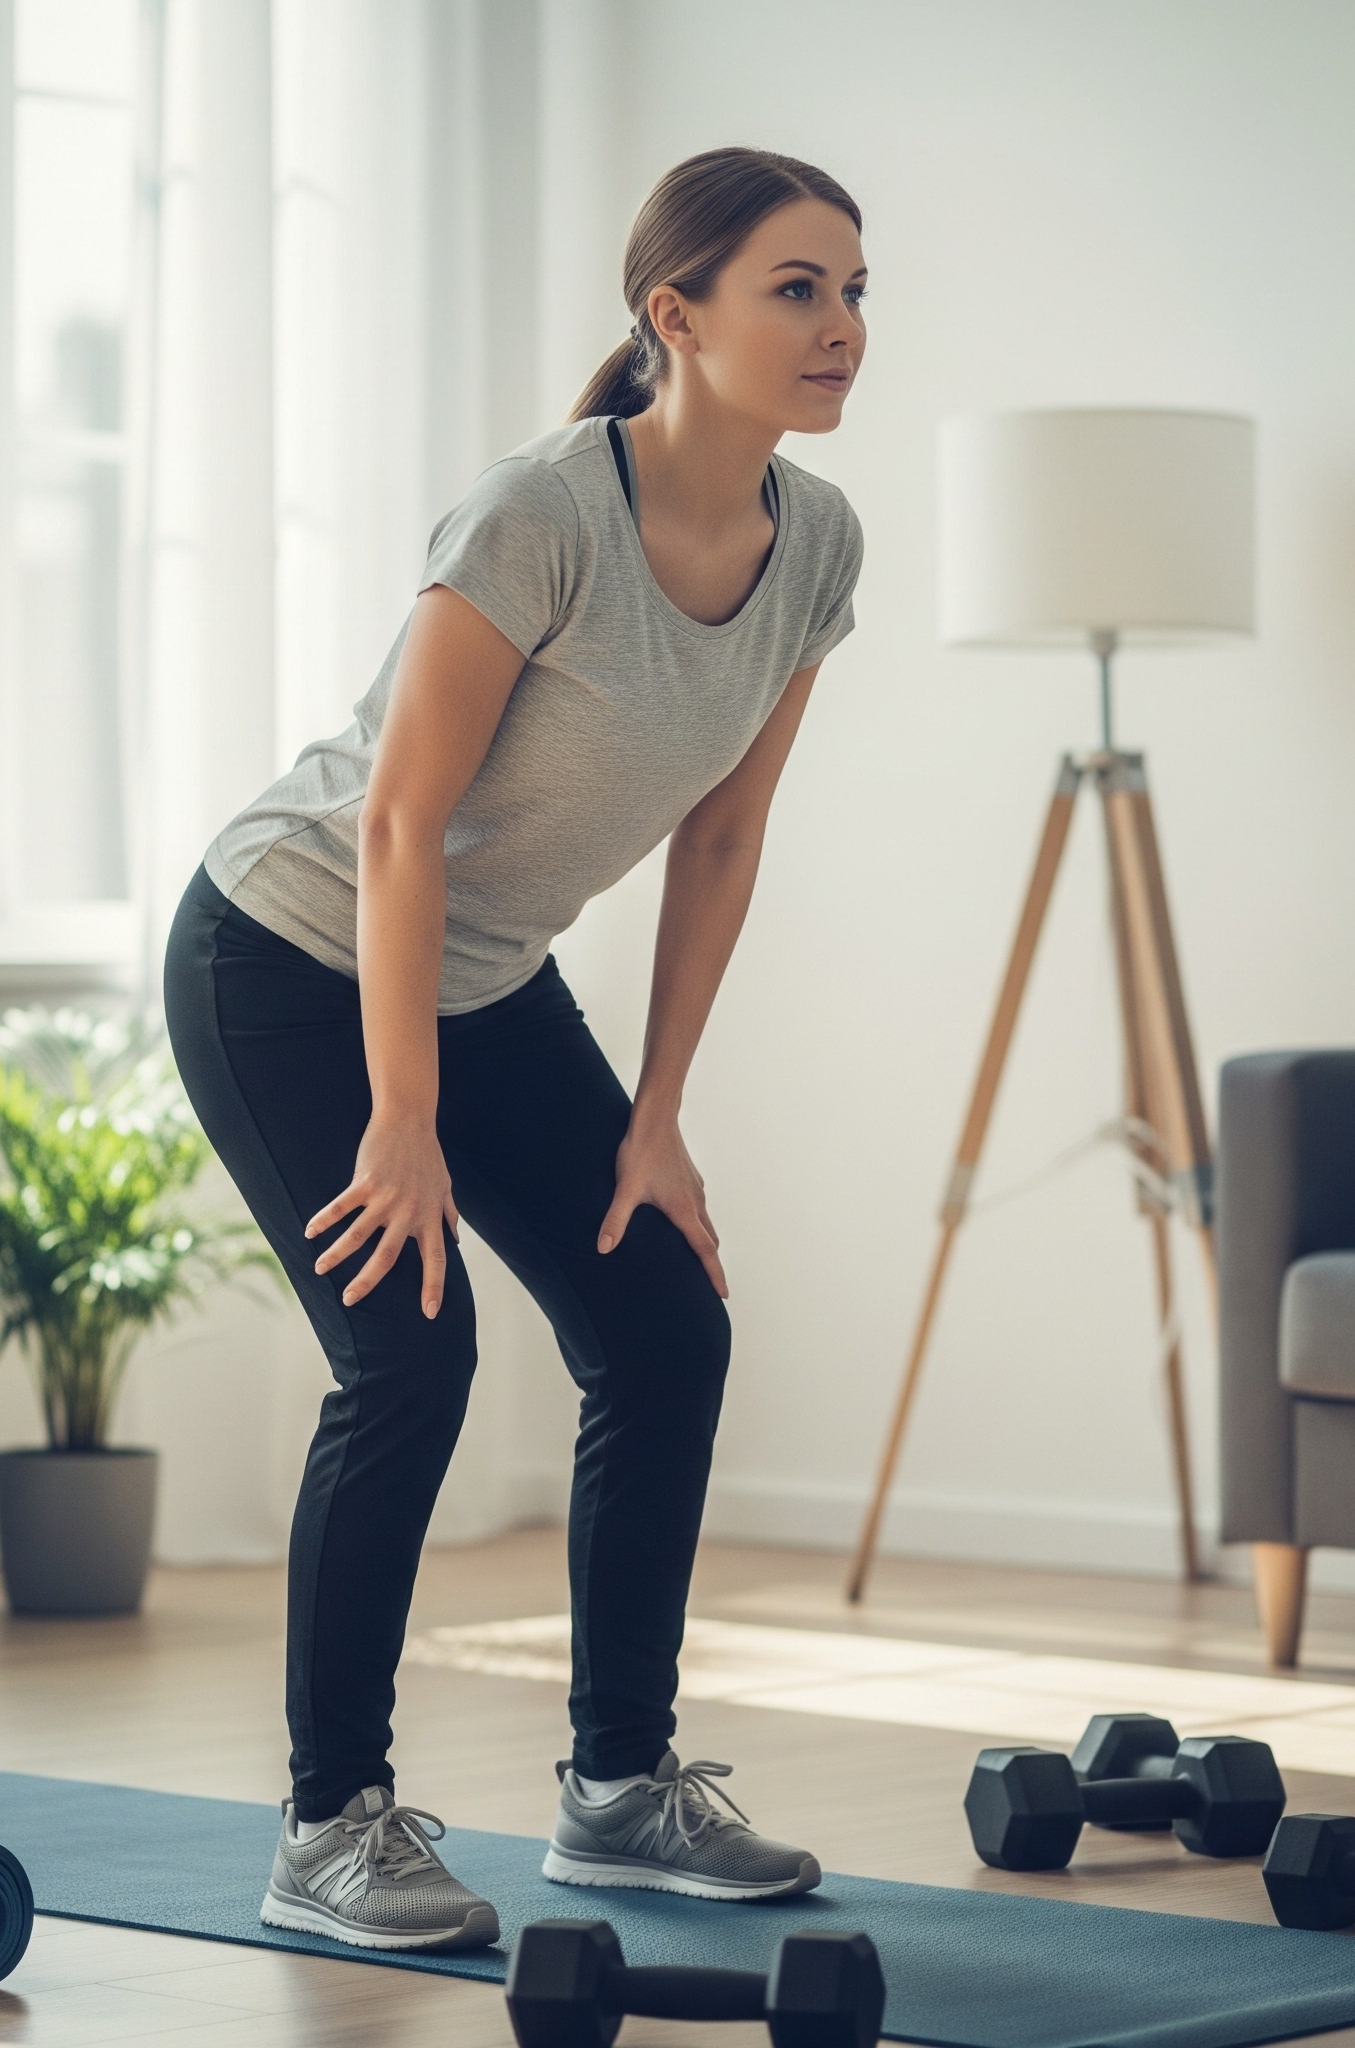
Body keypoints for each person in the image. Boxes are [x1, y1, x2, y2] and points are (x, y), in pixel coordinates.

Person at [163, 145, 867, 1952]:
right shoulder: (543, 511)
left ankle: (619, 1794)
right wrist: (403, 1118)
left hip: (481, 980)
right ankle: (331, 1831)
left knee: (661, 1315)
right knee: (407, 1356)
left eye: (856, 293)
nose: (841, 328)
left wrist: (660, 1118)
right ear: (676, 315)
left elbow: (725, 833)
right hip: (289, 955)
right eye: (798, 288)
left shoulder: (819, 548)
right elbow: (400, 822)